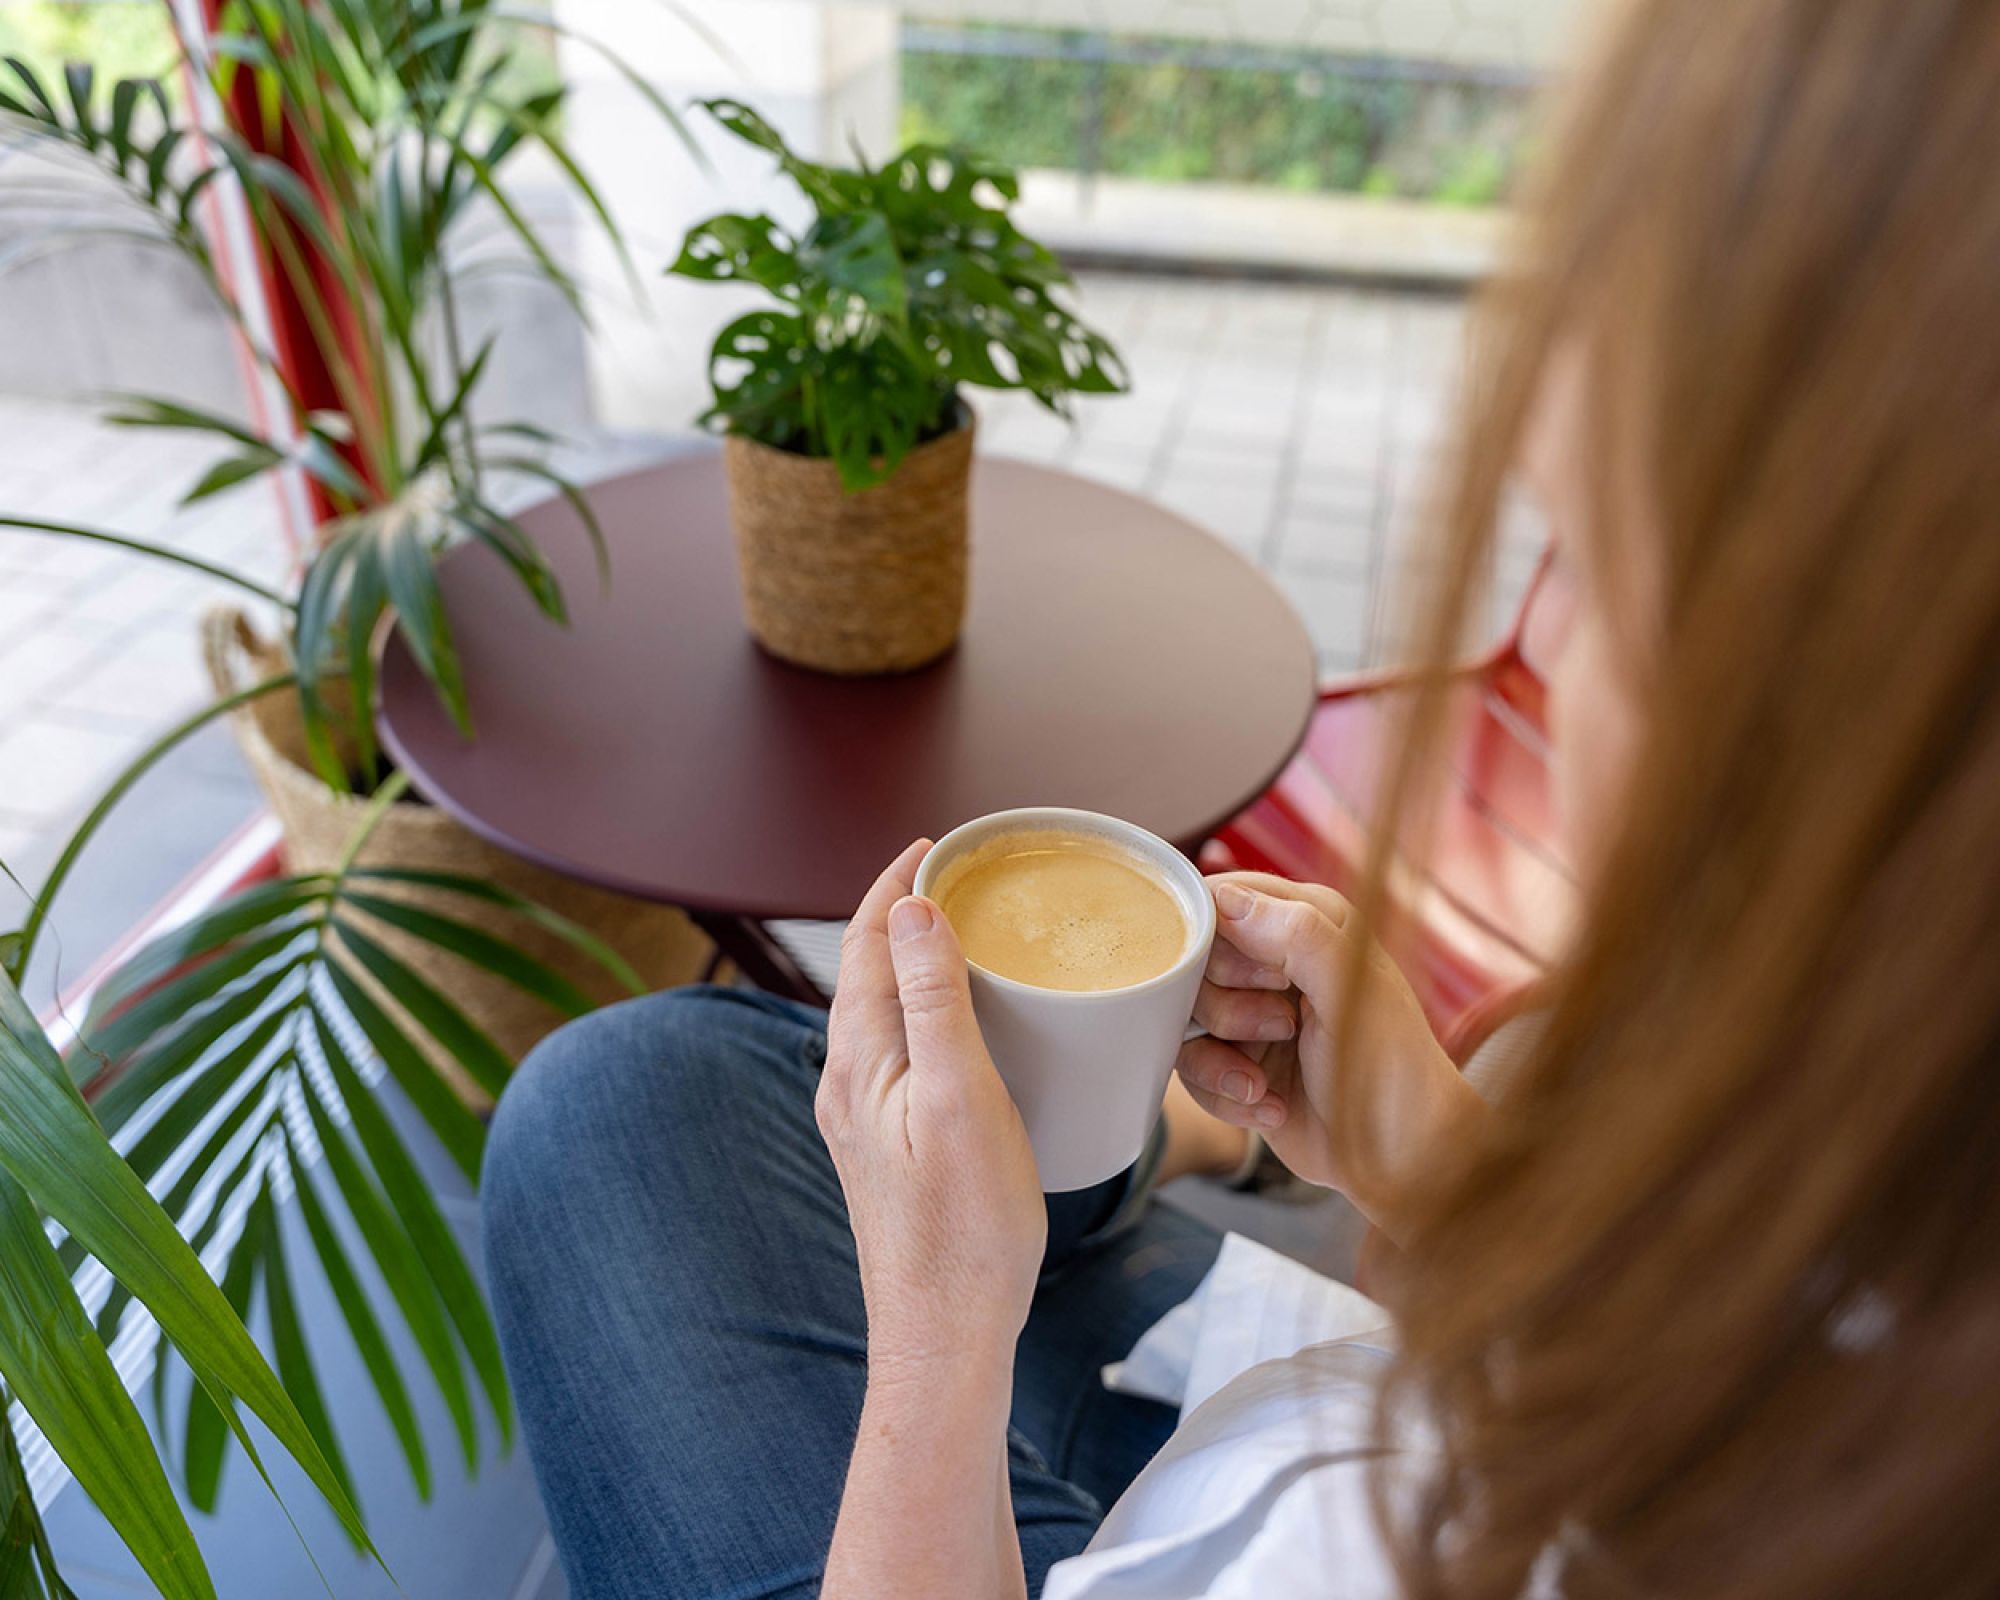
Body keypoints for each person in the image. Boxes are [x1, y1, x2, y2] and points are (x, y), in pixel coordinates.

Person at [482, 0, 2000, 1592]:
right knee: (650, 1088)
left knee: (608, 1119)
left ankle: (1078, 1190)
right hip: (1280, 1402)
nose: (1537, 640)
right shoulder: (1895, 1212)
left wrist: (938, 1345)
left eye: (1605, 585)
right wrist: (1437, 1168)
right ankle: (1132, 1162)